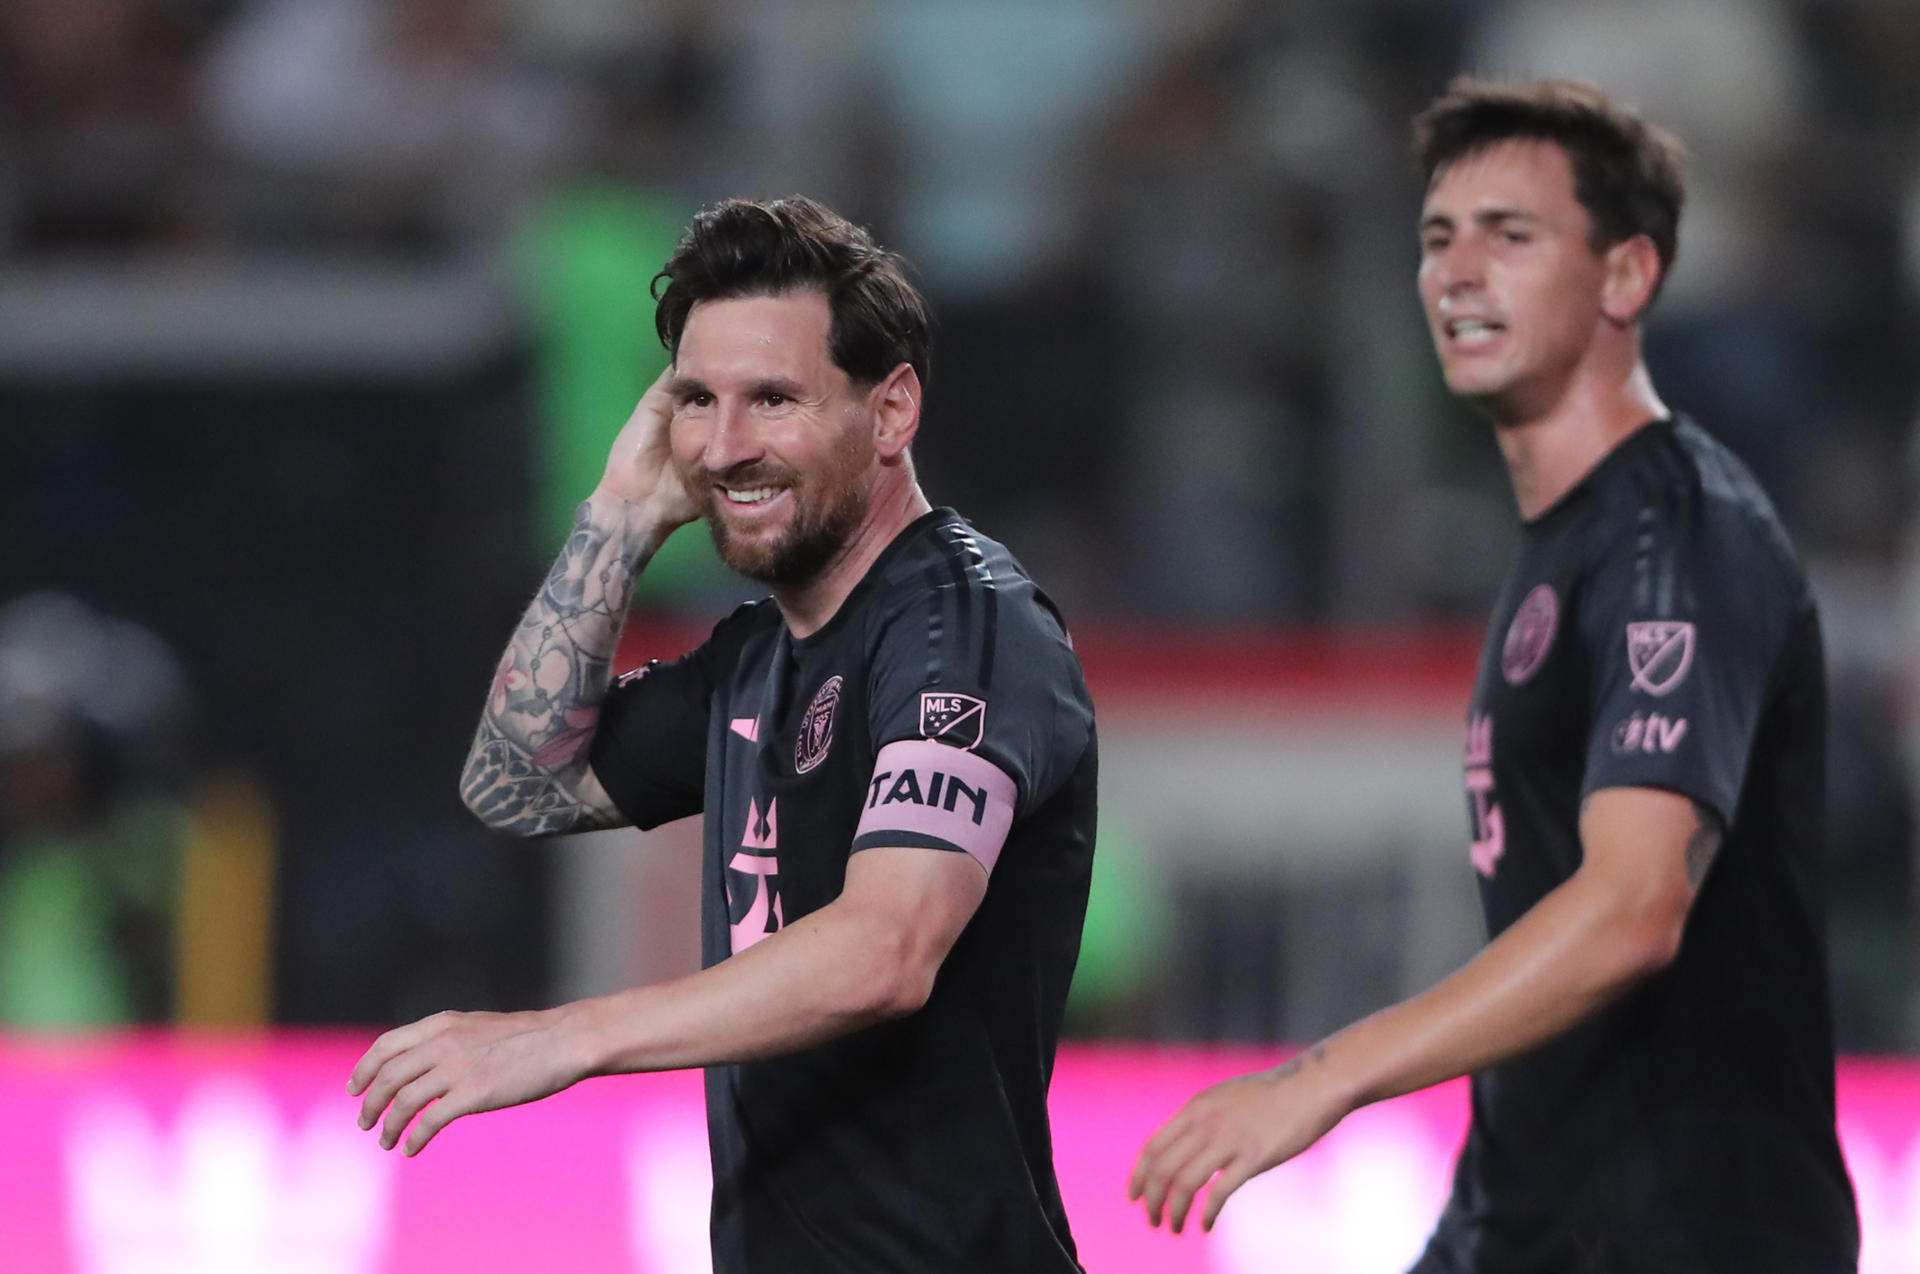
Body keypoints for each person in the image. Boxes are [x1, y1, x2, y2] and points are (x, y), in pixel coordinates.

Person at [1129, 77, 1859, 1273]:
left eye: (1509, 235)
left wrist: (1324, 1076)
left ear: (1625, 276)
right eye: (1435, 238)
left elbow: (1633, 907)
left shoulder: (1675, 529)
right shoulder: (1569, 540)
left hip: (1691, 1229)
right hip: (1538, 1214)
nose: (1457, 271)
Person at [348, 195, 1097, 1272]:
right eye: (697, 401)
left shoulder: (967, 630)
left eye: (773, 399)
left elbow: (886, 948)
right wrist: (618, 514)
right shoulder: (757, 652)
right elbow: (516, 785)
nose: (726, 447)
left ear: (890, 413)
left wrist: (565, 1035)